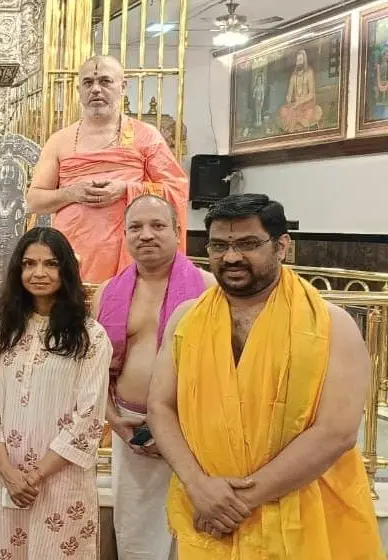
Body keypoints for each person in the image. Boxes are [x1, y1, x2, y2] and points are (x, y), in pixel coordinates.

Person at [147, 194, 381, 558]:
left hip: (302, 516)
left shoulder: (332, 324)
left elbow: (336, 432)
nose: (232, 257)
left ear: (282, 245)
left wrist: (239, 501)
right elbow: (160, 406)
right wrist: (198, 487)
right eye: (219, 245)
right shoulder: (187, 319)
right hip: (208, 509)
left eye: (248, 244)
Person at [0, 227, 110, 560]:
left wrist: (34, 476)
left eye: (50, 264)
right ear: (17, 270)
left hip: (62, 481)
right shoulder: (4, 331)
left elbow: (88, 419)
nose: (38, 273)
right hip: (8, 479)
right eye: (29, 263)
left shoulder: (90, 336)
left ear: (66, 270)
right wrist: (7, 471)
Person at [93, 195, 213, 560]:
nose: (146, 235)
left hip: (194, 432)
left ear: (178, 232)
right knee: (137, 534)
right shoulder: (107, 292)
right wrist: (115, 421)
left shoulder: (209, 289)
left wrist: (178, 428)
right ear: (125, 235)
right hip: (132, 432)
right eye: (136, 227)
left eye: (158, 226)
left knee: (193, 531)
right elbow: (94, 371)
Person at [26, 55, 189, 283]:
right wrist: (71, 193)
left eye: (105, 81)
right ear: (78, 90)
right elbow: (34, 200)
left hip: (132, 251)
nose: (95, 90)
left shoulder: (145, 136)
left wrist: (125, 190)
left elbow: (176, 188)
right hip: (71, 250)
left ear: (122, 87)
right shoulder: (59, 141)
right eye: (88, 83)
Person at [277, 49, 324, 133]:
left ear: (304, 60)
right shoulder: (293, 76)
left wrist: (300, 102)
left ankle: (291, 129)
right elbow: (289, 94)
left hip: (306, 104)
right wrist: (289, 100)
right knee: (283, 110)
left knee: (309, 113)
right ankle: (294, 127)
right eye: (297, 60)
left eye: (301, 60)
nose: (299, 62)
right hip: (295, 105)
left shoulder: (309, 72)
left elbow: (311, 94)